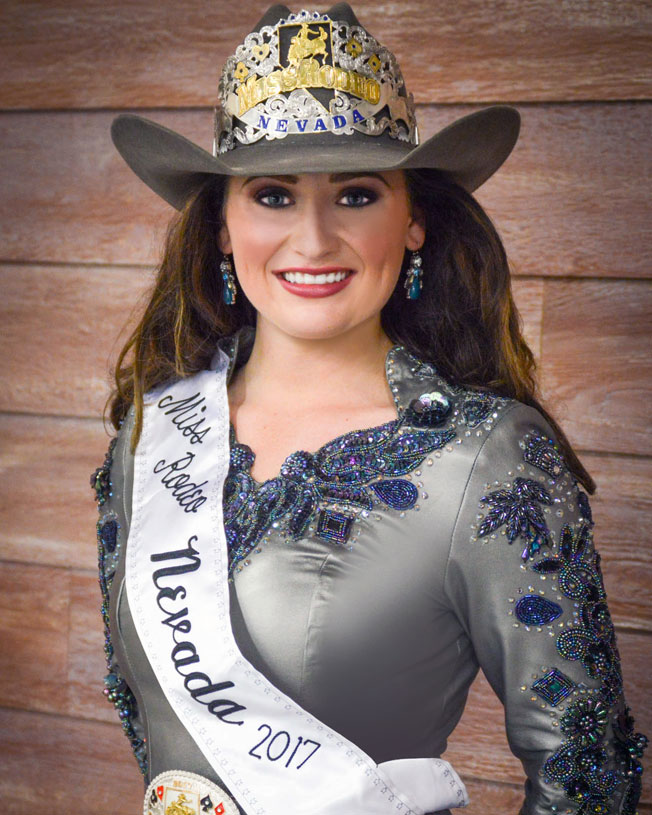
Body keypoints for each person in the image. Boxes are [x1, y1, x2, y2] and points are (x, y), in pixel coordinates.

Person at [91, 3, 647, 814]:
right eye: (273, 195)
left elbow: (590, 774)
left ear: (413, 218)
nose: (312, 240)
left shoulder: (487, 454)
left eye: (354, 194)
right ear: (220, 224)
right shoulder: (151, 434)